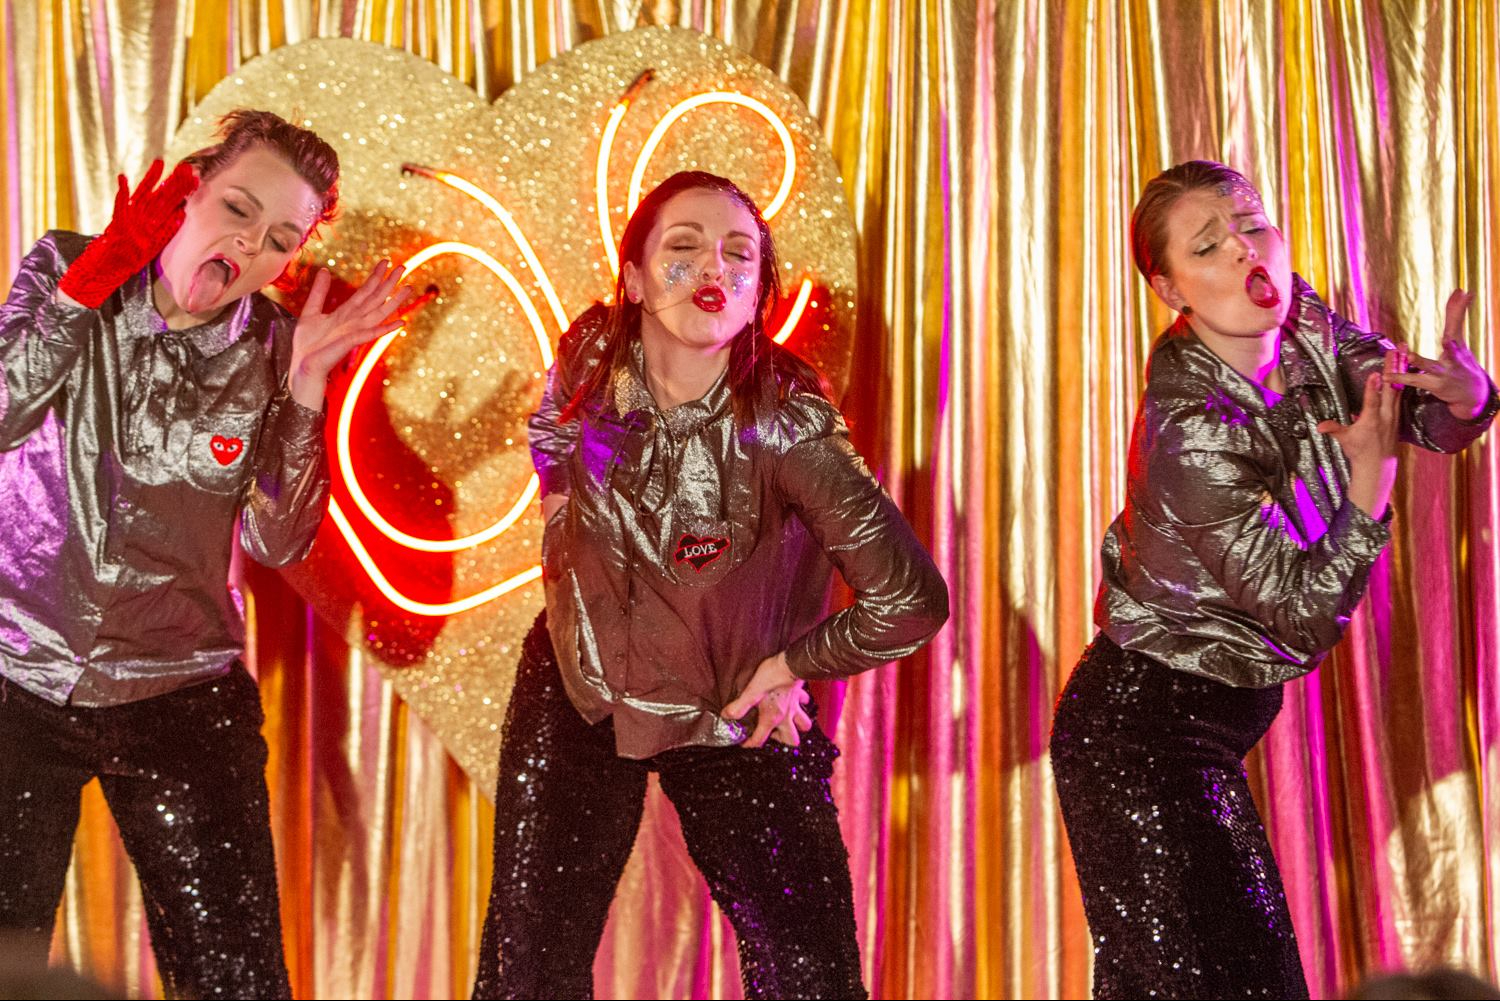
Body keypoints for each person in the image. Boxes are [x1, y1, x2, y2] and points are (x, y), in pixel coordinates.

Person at [471, 171, 949, 1000]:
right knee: (527, 967)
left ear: (758, 290)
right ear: (633, 277)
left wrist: (790, 666)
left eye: (739, 255)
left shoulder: (785, 420)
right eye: (684, 247)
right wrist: (560, 523)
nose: (712, 269)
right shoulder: (592, 350)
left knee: (810, 976)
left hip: (732, 707)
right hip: (580, 687)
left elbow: (911, 599)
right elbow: (551, 429)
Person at [1050, 159, 1499, 1000]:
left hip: (1201, 738)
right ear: (1170, 289)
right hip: (1137, 740)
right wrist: (1368, 488)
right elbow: (1300, 613)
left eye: (1252, 225)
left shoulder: (1303, 322)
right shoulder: (1192, 426)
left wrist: (1467, 398)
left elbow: (1407, 401)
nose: (1244, 251)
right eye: (1208, 246)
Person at [0, 109, 411, 999]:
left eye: (280, 240)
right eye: (237, 208)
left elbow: (275, 538)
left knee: (237, 980)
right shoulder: (68, 264)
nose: (251, 245)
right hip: (16, 677)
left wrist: (307, 390)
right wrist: (81, 292)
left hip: (180, 691)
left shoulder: (274, 346)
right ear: (187, 193)